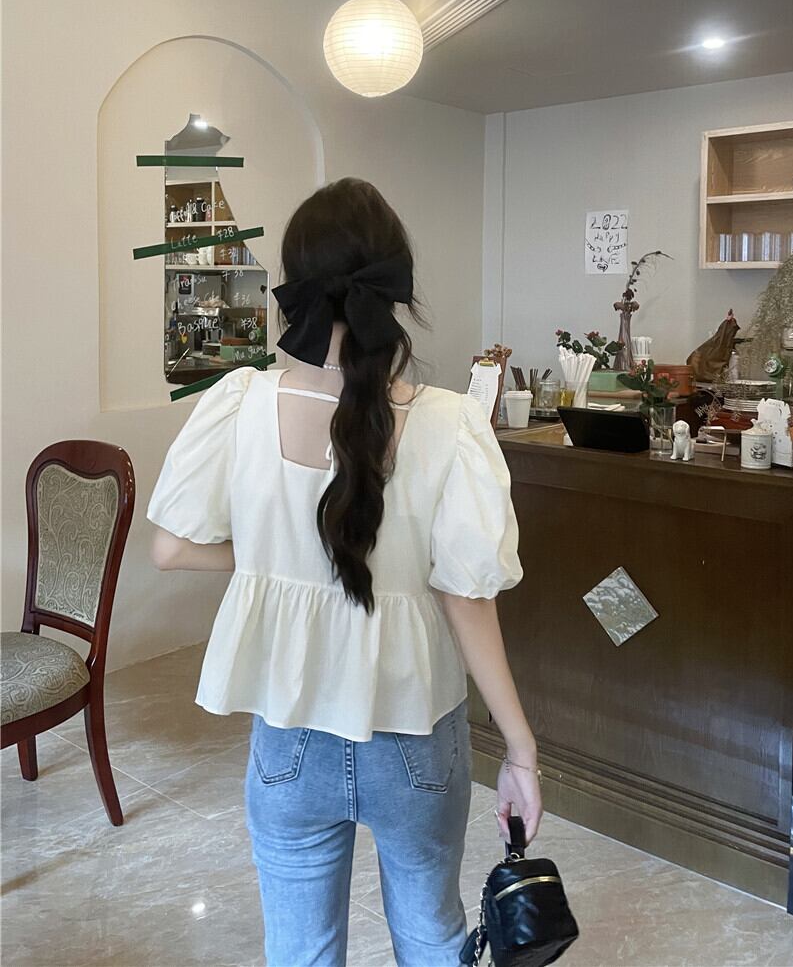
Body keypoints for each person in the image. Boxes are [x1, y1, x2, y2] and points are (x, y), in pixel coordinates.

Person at [147, 178, 542, 967]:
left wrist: (276, 549)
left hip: (291, 735)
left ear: (295, 285)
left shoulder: (239, 402)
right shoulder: (451, 424)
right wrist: (521, 751)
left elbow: (171, 548)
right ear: (394, 289)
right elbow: (466, 597)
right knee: (432, 937)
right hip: (415, 738)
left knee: (300, 951)